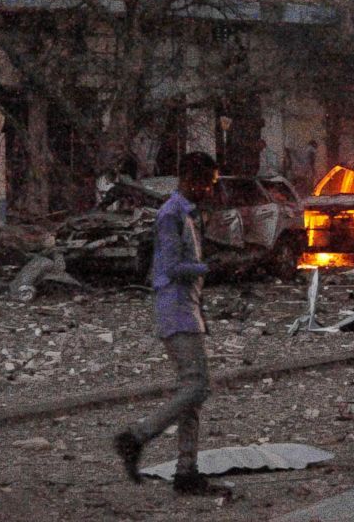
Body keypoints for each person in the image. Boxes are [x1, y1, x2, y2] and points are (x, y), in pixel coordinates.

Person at [114, 152, 224, 495]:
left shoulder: (185, 213)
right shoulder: (171, 215)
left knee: (191, 393)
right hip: (175, 309)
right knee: (197, 387)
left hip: (186, 309)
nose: (210, 190)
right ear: (192, 179)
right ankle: (136, 437)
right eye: (209, 183)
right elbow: (170, 268)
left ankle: (186, 472)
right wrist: (209, 268)